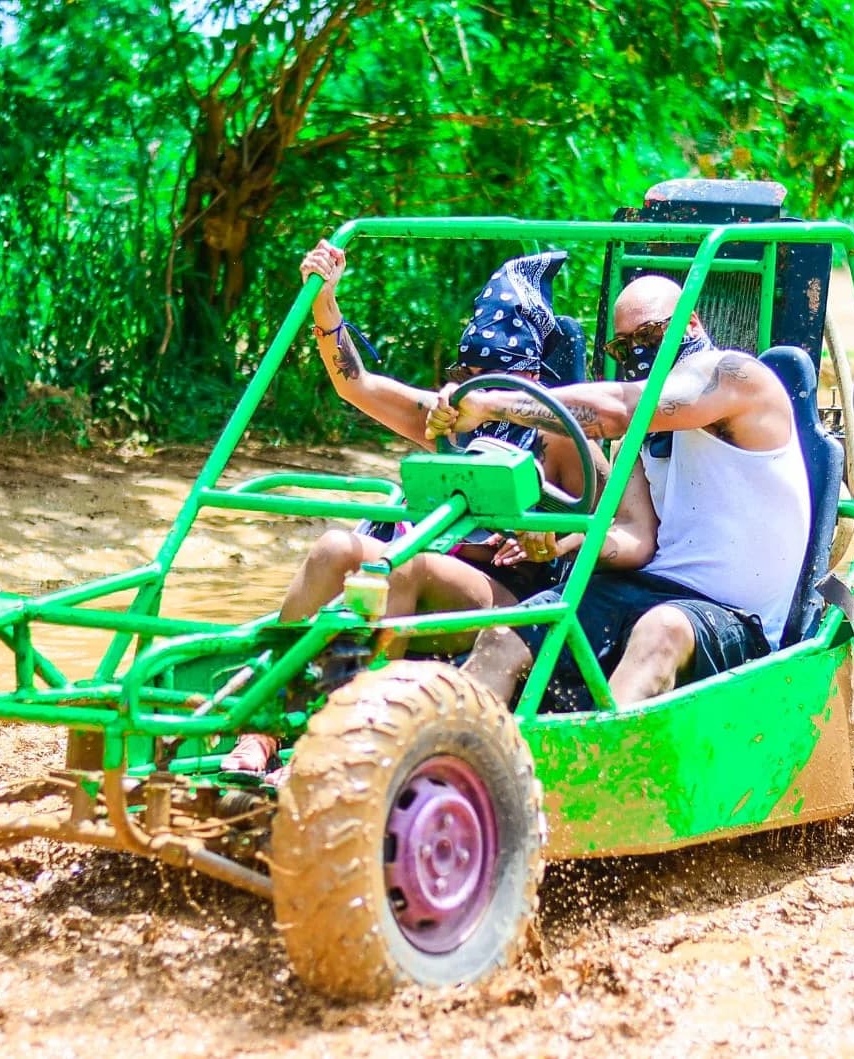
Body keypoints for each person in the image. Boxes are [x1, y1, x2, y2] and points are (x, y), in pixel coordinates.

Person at [221, 244, 658, 775]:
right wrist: (325, 301)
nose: (470, 386)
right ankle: (259, 730)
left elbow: (620, 531)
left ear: (529, 377)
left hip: (510, 598)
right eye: (463, 369)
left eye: (488, 374)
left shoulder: (563, 439)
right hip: (429, 570)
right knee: (334, 548)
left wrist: (556, 536)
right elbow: (355, 382)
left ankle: (336, 748)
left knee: (400, 564)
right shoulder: (451, 417)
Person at [427, 274, 810, 709]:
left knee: (660, 630)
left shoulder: (737, 378)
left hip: (737, 616)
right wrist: (562, 542)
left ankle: (604, 769)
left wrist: (495, 404)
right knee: (504, 635)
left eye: (649, 335)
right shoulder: (642, 434)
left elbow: (624, 408)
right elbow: (635, 538)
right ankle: (459, 760)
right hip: (647, 587)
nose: (638, 352)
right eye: (623, 347)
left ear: (691, 324)